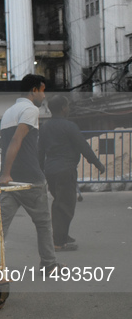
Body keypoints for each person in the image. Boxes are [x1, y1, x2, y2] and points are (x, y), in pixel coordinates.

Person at [0, 74, 65, 274]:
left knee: (0, 226)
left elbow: (7, 144)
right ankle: (49, 264)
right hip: (29, 178)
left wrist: (5, 175)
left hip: (9, 181)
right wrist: (6, 173)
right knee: (43, 224)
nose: (44, 96)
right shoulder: (30, 109)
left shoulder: (8, 112)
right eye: (42, 90)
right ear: (34, 90)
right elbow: (16, 141)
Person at [38, 95, 105, 251]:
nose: (68, 108)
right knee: (66, 205)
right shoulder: (69, 126)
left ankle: (61, 235)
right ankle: (58, 242)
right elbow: (83, 147)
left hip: (51, 171)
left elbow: (40, 151)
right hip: (65, 170)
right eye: (67, 106)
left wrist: (40, 170)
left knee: (59, 203)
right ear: (63, 108)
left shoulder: (45, 127)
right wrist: (97, 164)